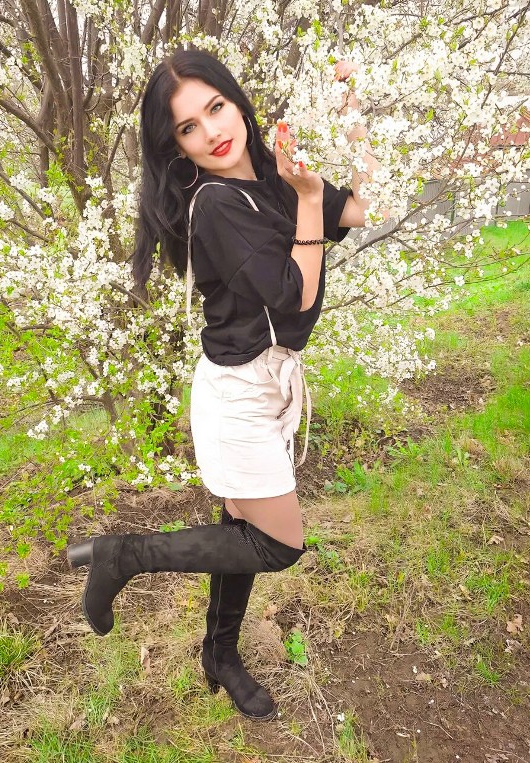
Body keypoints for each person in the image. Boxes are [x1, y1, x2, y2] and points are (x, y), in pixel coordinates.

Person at [68, 49, 383, 721]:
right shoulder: (214, 204)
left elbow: (362, 208)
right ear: (176, 146)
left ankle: (219, 653)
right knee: (278, 543)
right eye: (188, 126)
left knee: (239, 525)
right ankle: (122, 556)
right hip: (236, 396)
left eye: (215, 107)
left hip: (262, 388)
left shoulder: (272, 175)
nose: (211, 131)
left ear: (238, 102)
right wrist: (307, 200)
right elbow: (294, 296)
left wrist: (352, 103)